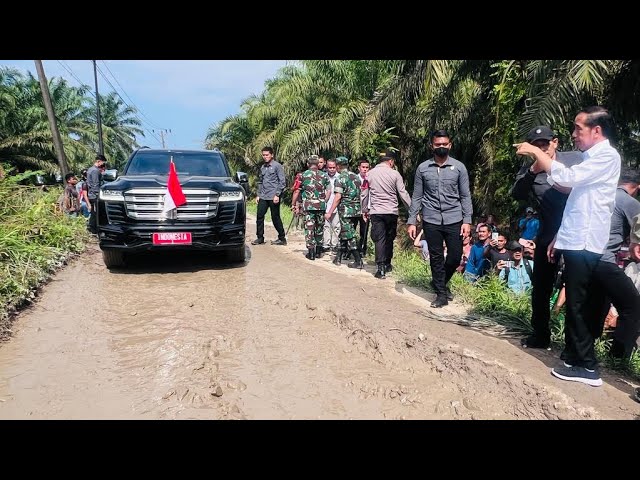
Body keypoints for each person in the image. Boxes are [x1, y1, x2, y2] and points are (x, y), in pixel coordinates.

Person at [515, 106, 620, 387]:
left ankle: (587, 367)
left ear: (596, 131)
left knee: (578, 303)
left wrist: (537, 154)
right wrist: (560, 237)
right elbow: (569, 193)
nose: (574, 134)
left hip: (586, 241)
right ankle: (574, 357)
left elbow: (567, 179)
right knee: (574, 300)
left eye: (578, 129)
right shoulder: (591, 158)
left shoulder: (606, 157)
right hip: (573, 238)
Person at [511, 125, 583, 350]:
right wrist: (533, 169)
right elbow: (517, 194)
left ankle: (573, 345)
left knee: (575, 289)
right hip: (548, 235)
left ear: (555, 142)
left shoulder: (574, 160)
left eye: (546, 143)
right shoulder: (529, 171)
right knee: (541, 287)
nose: (543, 148)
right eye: (536, 145)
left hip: (576, 236)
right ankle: (540, 335)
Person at [408, 129, 472, 307]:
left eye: (445, 144)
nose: (441, 147)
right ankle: (441, 294)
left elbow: (465, 196)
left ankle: (439, 282)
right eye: (438, 145)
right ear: (432, 146)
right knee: (436, 256)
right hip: (431, 219)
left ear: (450, 145)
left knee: (454, 256)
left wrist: (467, 220)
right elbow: (417, 196)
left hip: (454, 218)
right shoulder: (423, 168)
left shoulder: (459, 167)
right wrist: (412, 220)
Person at [361, 150, 411, 279]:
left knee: (379, 239)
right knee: (390, 237)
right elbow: (403, 193)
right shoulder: (395, 174)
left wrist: (364, 209)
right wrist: (412, 210)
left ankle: (381, 267)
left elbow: (364, 193)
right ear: (391, 161)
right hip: (391, 212)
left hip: (376, 212)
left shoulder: (369, 174)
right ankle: (388, 263)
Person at [324, 156, 363, 268]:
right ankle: (338, 257)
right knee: (344, 232)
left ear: (338, 166)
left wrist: (330, 212)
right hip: (356, 210)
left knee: (349, 234)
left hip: (345, 211)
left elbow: (337, 197)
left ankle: (358, 259)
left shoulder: (340, 178)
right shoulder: (355, 177)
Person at [290, 155, 331, 260]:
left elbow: (296, 191)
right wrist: (323, 201)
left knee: (309, 228)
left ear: (308, 164)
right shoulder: (324, 176)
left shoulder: (302, 175)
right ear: (318, 164)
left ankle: (311, 252)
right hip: (321, 206)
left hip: (308, 206)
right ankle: (318, 251)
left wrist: (293, 204)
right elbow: (329, 191)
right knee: (319, 228)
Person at [252, 146, 287, 246]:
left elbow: (282, 182)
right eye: (263, 155)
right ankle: (260, 237)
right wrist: (258, 195)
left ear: (272, 155)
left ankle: (282, 237)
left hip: (273, 196)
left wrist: (277, 194)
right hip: (263, 196)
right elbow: (260, 182)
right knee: (259, 216)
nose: (265, 157)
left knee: (275, 217)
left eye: (267, 155)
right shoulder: (263, 167)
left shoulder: (277, 166)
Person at [87, 154, 106, 233]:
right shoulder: (95, 171)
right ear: (98, 161)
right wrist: (99, 195)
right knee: (96, 213)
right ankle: (93, 228)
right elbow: (96, 184)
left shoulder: (90, 169)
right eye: (102, 163)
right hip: (95, 195)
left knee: (94, 212)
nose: (103, 165)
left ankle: (92, 228)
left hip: (91, 194)